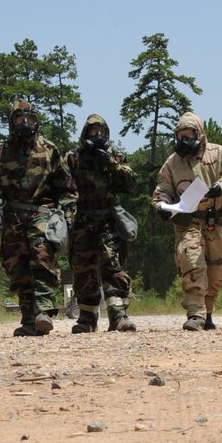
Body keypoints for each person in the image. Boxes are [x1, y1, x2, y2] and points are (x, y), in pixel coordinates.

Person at [0, 99, 77, 336]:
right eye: (20, 119)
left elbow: (65, 187)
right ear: (12, 123)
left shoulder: (49, 150)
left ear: (37, 121)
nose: (25, 124)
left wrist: (68, 213)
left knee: (41, 255)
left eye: (30, 119)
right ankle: (28, 318)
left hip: (41, 212)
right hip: (13, 215)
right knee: (17, 265)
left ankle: (44, 311)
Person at [151, 112, 222, 331]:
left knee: (218, 269)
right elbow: (162, 190)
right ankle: (195, 314)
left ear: (199, 133)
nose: (185, 140)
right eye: (180, 135)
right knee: (192, 261)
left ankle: (208, 311)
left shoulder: (220, 153)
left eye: (189, 134)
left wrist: (220, 187)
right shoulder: (172, 163)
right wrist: (162, 206)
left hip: (215, 219)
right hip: (187, 221)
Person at [66, 114, 137, 333]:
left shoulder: (114, 157)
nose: (97, 136)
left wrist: (110, 162)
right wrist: (68, 217)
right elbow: (64, 188)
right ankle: (87, 319)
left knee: (113, 267)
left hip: (108, 220)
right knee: (83, 270)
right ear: (85, 134)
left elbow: (130, 183)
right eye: (93, 132)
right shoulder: (73, 158)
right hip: (83, 220)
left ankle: (118, 316)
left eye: (102, 132)